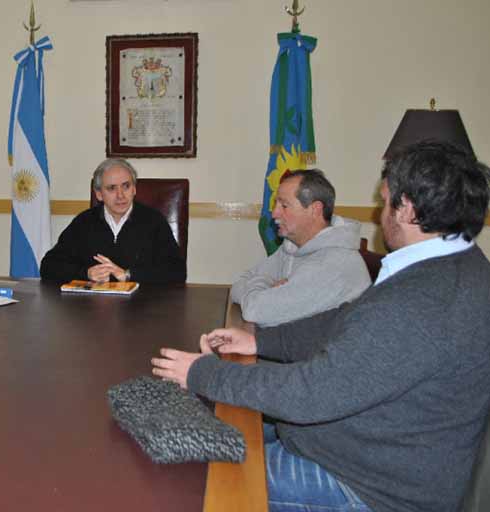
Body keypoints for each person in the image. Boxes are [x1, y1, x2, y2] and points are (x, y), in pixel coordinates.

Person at [152, 141, 490, 512]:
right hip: (360, 451)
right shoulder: (453, 267)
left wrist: (203, 373)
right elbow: (348, 319)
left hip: (362, 485)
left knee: (192, 478)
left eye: (385, 201)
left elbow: (310, 393)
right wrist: (260, 339)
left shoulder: (425, 299)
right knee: (211, 429)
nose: (380, 214)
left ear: (406, 208)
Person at [231, 169, 370, 326]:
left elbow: (255, 311)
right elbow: (237, 285)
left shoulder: (336, 264)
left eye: (284, 205)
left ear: (315, 210)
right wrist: (268, 286)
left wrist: (263, 288)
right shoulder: (292, 246)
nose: (274, 213)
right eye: (275, 204)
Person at [40, 158, 186, 283]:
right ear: (99, 194)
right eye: (111, 188)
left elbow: (177, 271)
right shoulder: (84, 222)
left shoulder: (154, 221)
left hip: (141, 309)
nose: (120, 195)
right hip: (93, 310)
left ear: (134, 189)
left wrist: (128, 275)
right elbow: (49, 266)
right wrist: (86, 273)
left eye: (126, 186)